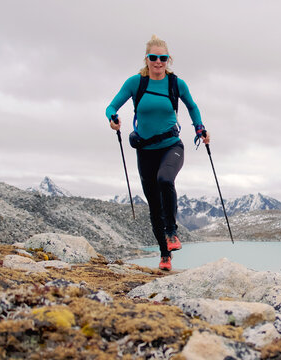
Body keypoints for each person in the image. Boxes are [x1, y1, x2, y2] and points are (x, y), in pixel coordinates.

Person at [106, 35, 209, 271]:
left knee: (165, 179)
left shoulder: (176, 84)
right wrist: (112, 118)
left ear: (168, 60)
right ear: (147, 59)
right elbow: (111, 106)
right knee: (154, 205)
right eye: (153, 57)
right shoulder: (136, 83)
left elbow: (192, 106)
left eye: (163, 58)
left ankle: (172, 232)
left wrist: (200, 128)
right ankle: (165, 256)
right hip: (145, 151)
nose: (158, 62)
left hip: (172, 146)